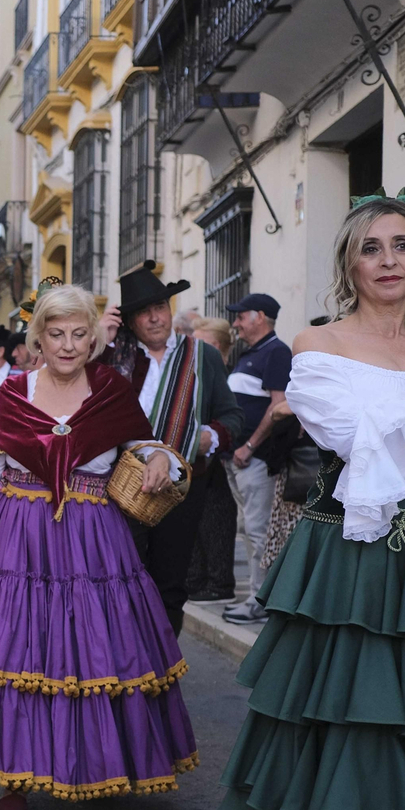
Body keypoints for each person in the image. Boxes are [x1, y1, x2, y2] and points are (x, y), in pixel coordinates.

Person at [205, 193, 405, 810]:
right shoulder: (318, 345)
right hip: (361, 561)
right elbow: (368, 454)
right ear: (350, 263)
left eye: (402, 245)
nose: (388, 259)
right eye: (371, 248)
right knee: (376, 727)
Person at [0, 285, 197, 810]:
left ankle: (98, 765)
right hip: (18, 542)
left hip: (93, 542)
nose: (67, 345)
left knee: (95, 653)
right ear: (38, 337)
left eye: (78, 334)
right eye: (56, 334)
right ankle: (14, 776)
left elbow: (143, 445)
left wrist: (157, 459)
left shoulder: (111, 389)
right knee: (17, 654)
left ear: (96, 337)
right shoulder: (14, 392)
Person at [105, 262, 245, 636]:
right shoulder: (112, 359)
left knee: (171, 582)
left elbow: (232, 417)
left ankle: (161, 671)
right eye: (144, 313)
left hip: (182, 488)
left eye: (160, 308)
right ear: (130, 321)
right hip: (121, 487)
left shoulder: (203, 356)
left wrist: (209, 437)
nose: (155, 319)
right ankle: (127, 661)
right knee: (123, 577)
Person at [222, 292, 291, 625]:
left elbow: (278, 407)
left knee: (258, 530)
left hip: (255, 460)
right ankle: (257, 597)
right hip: (237, 459)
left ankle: (259, 600)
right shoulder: (249, 353)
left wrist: (249, 445)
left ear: (260, 317)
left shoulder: (276, 352)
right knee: (250, 530)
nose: (236, 322)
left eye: (241, 315)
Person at [185, 317, 241, 604]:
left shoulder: (217, 370)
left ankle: (219, 583)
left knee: (216, 519)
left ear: (214, 345)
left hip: (223, 457)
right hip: (205, 460)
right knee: (198, 523)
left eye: (199, 342)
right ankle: (196, 580)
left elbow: (234, 414)